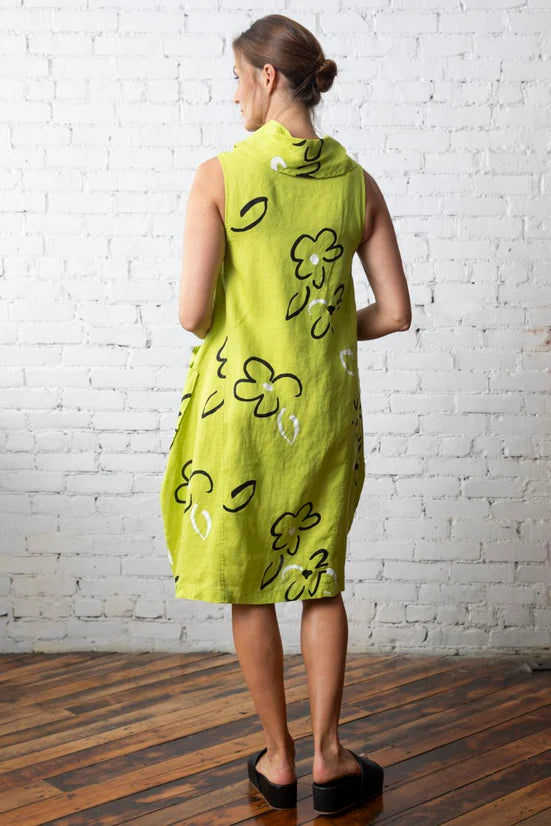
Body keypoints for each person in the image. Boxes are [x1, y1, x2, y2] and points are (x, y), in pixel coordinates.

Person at [160, 13, 411, 815]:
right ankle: (332, 760)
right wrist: (320, 329)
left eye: (237, 77)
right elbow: (394, 313)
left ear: (267, 78)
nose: (234, 92)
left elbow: (193, 315)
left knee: (252, 585)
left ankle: (278, 758)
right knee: (318, 576)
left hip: (241, 411)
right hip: (324, 415)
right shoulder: (357, 184)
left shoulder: (219, 176)